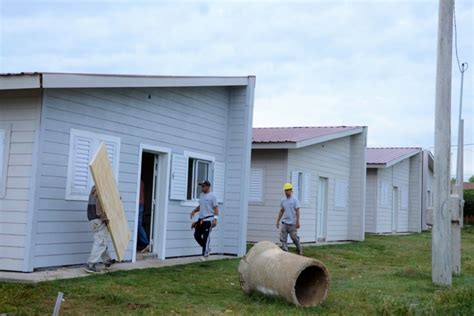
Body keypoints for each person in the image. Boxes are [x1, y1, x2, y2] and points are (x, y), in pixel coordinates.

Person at [85, 185, 115, 273]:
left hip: (93, 220)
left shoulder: (93, 191)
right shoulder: (99, 193)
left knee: (102, 241)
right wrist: (104, 219)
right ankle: (91, 265)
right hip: (99, 220)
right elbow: (98, 210)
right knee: (101, 242)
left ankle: (107, 261)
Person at [190, 180, 218, 261]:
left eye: (203, 186)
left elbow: (216, 208)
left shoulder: (212, 196)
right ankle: (207, 249)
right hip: (201, 219)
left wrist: (215, 219)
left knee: (206, 237)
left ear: (208, 187)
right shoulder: (201, 195)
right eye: (201, 186)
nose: (202, 188)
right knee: (196, 235)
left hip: (208, 220)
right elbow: (200, 206)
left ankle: (204, 254)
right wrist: (194, 210)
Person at [276, 182, 303, 255]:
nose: (286, 192)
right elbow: (281, 211)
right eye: (285, 190)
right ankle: (285, 252)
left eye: (288, 190)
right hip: (285, 223)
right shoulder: (283, 200)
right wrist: (278, 221)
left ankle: (299, 248)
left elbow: (297, 211)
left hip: (293, 224)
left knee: (294, 238)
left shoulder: (295, 200)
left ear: (291, 190)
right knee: (282, 238)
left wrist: (297, 222)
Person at [137, 179, 150, 252]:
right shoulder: (142, 182)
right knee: (139, 224)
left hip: (138, 204)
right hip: (141, 204)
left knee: (138, 224)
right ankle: (143, 244)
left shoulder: (138, 181)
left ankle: (145, 243)